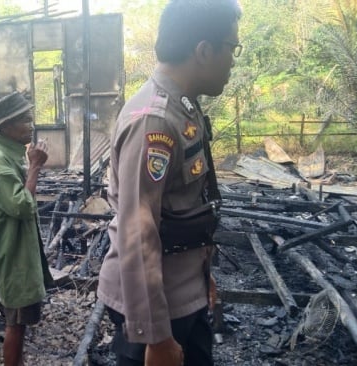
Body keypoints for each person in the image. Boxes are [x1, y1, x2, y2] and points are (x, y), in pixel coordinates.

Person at [96, 0, 242, 365]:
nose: (234, 61)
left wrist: (200, 276)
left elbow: (187, 205)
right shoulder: (154, 120)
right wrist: (156, 336)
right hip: (157, 309)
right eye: (232, 48)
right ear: (204, 51)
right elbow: (137, 228)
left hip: (181, 292)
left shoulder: (182, 107)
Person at [0, 91, 53, 366]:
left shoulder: (8, 157)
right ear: (5, 127)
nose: (30, 125)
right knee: (15, 324)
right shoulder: (0, 162)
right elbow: (22, 206)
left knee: (20, 323)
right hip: (13, 257)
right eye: (24, 120)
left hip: (19, 253)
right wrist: (34, 168)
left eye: (30, 119)